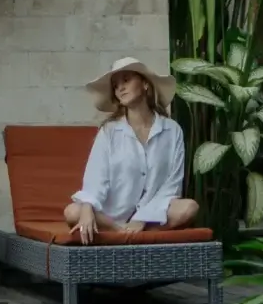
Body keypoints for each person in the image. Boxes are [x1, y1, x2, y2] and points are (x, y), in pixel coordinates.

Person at [64, 57, 199, 244]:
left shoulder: (172, 130)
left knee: (188, 208)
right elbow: (95, 177)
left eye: (126, 80)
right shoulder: (109, 132)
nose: (120, 88)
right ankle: (121, 231)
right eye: (116, 85)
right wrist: (87, 208)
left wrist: (141, 218)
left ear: (145, 84)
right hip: (112, 216)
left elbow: (172, 185)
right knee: (73, 212)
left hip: (153, 213)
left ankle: (139, 229)